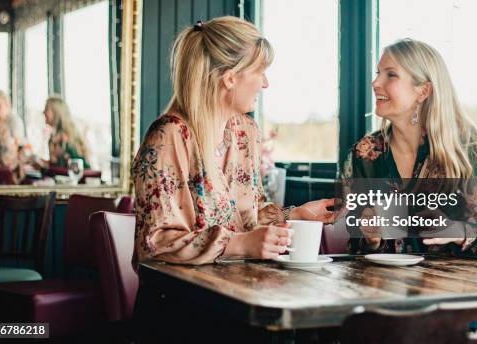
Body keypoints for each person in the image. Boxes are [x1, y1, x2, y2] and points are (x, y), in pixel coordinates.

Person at [132, 17, 336, 268]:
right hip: (182, 295)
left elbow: (244, 219)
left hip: (240, 285)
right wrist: (240, 244)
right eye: (260, 72)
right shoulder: (169, 137)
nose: (265, 83)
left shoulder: (245, 132)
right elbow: (158, 243)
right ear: (230, 79)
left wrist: (293, 215)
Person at [342, 38, 477, 259]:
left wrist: (460, 232)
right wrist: (371, 239)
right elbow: (354, 246)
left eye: (390, 74)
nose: (375, 83)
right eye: (378, 73)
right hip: (385, 287)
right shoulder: (365, 153)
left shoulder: (463, 147)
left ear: (423, 91)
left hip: (450, 285)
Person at [43, 97, 90, 169]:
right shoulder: (54, 137)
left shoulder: (68, 136)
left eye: (46, 109)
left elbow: (82, 166)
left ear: (56, 112)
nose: (43, 112)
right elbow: (56, 165)